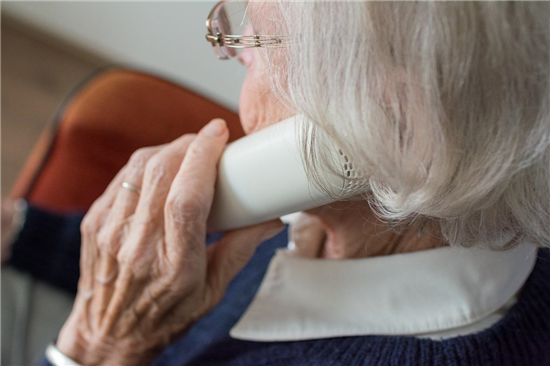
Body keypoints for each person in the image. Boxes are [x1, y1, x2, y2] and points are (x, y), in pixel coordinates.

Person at [5, 0, 550, 365]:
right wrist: (23, 231)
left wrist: (96, 346)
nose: (232, 52)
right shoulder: (339, 209)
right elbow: (169, 262)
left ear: (392, 127)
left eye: (254, 41)